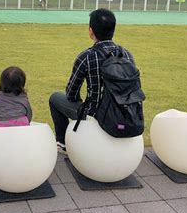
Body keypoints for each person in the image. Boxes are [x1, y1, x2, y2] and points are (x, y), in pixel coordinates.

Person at [48, 8, 136, 154]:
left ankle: (62, 142)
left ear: (91, 31)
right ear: (113, 30)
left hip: (93, 115)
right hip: (126, 114)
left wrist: (82, 103)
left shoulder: (86, 56)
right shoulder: (127, 54)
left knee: (55, 98)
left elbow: (71, 94)